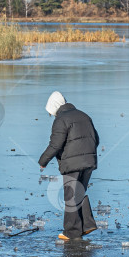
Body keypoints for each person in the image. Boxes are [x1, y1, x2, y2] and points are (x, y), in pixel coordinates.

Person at [38, 91, 99, 241]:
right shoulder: (84, 116)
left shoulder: (61, 120)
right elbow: (96, 138)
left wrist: (43, 161)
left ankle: (71, 232)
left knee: (71, 196)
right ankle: (86, 225)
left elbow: (55, 144)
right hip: (89, 161)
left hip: (72, 163)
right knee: (79, 191)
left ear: (54, 107)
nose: (52, 116)